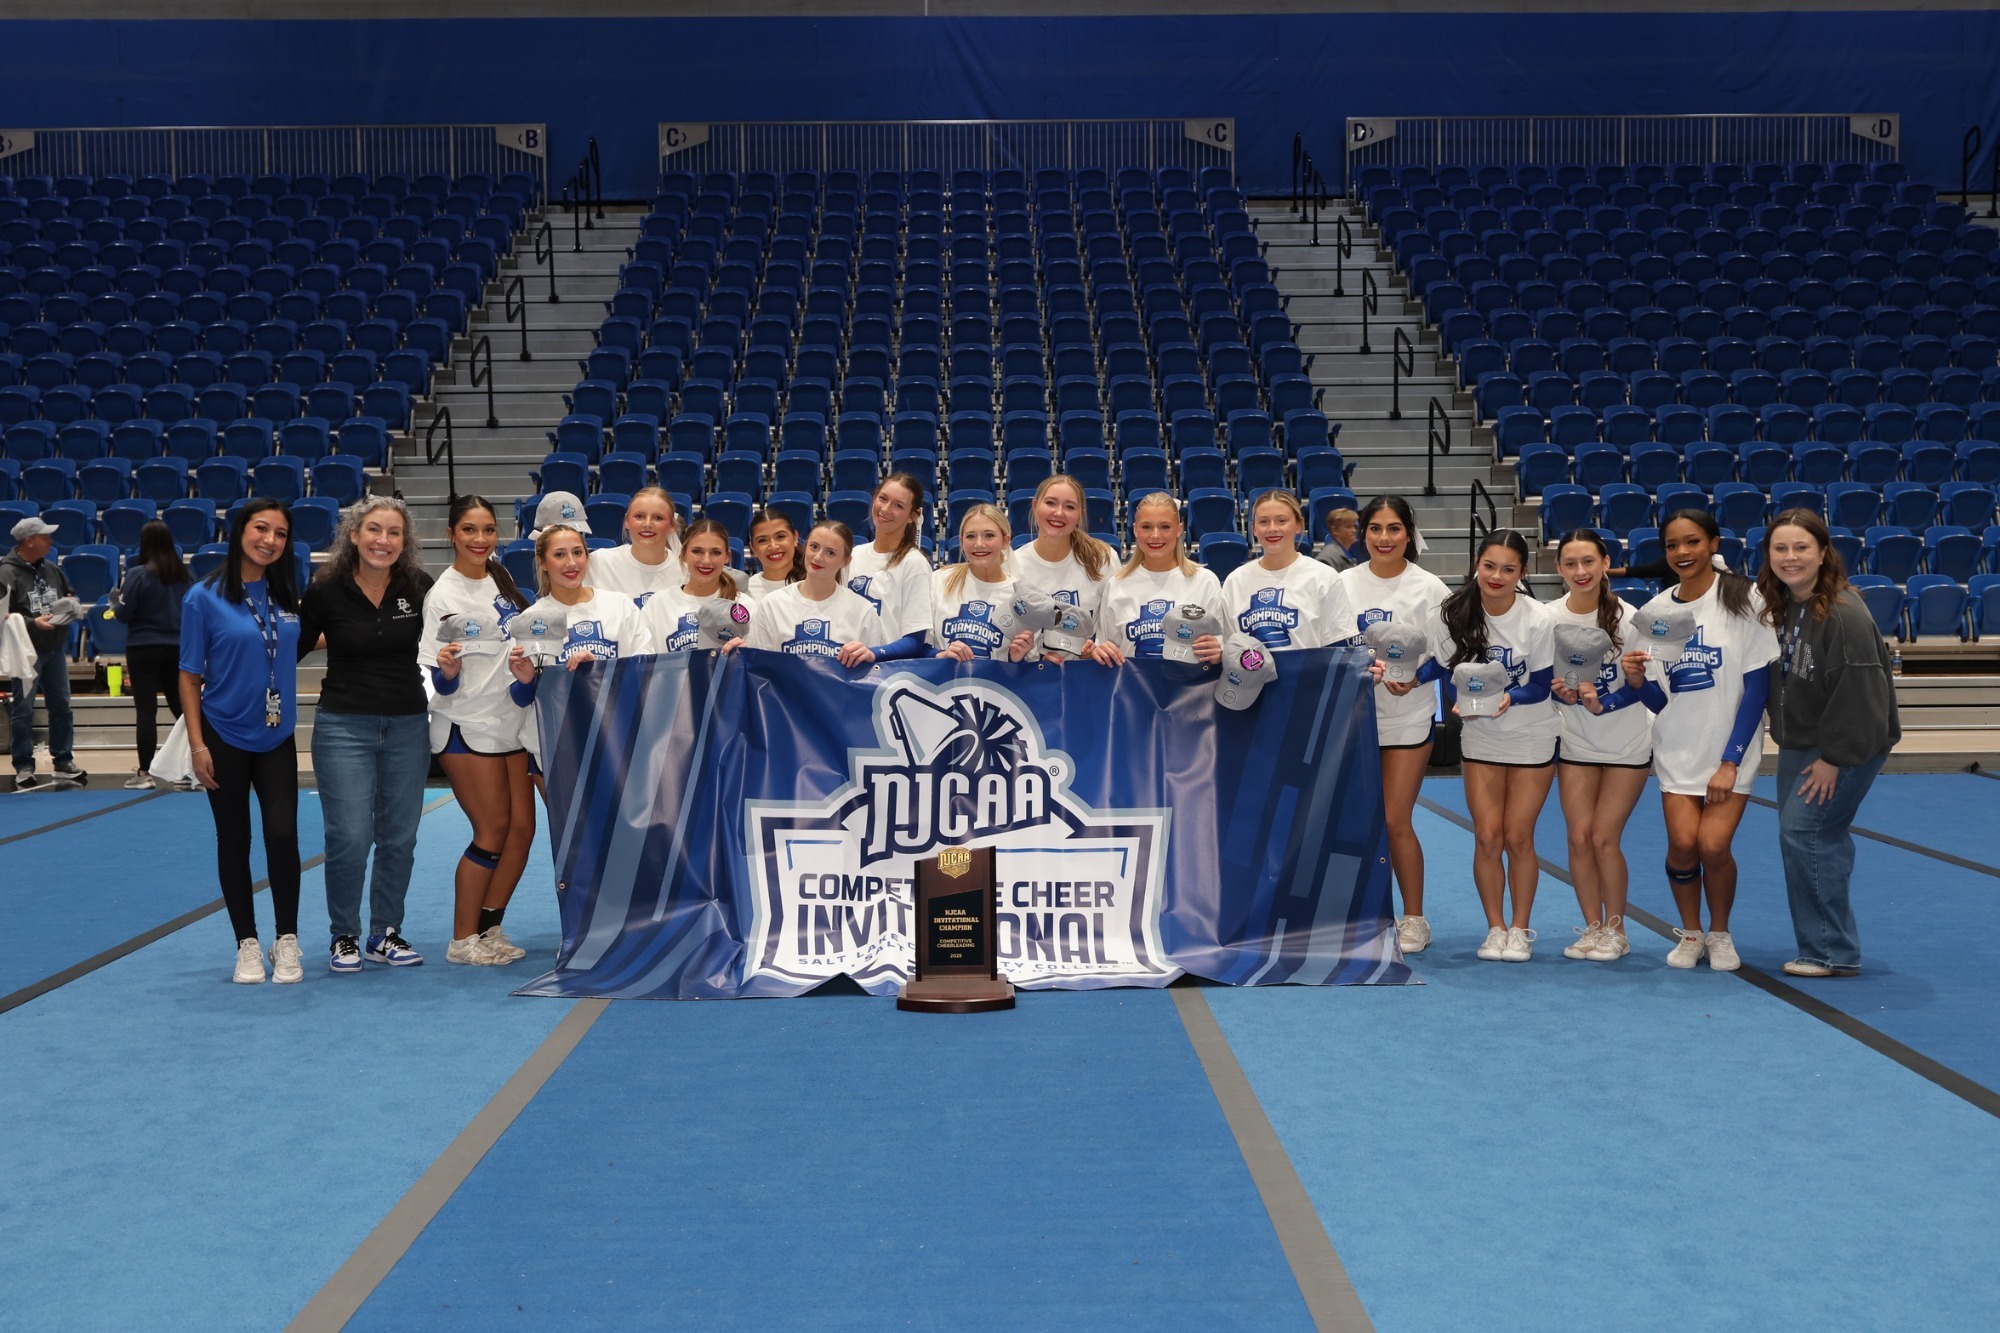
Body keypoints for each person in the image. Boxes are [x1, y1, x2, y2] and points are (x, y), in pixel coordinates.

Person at [1620, 508, 1778, 972]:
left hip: (1731, 748)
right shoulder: (1655, 613)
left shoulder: (1745, 598)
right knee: (1683, 845)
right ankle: (1691, 932)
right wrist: (1637, 682)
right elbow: (1660, 699)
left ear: (1713, 543)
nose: (1682, 552)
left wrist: (1730, 761)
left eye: (1692, 542)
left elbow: (1757, 689)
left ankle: (1720, 932)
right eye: (1672, 545)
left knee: (1713, 845)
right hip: (1677, 747)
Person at [1758, 509, 1901, 978]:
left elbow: (1861, 697)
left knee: (1808, 835)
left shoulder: (1843, 613)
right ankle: (1827, 945)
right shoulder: (1786, 603)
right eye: (1780, 548)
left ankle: (1829, 951)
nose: (1790, 557)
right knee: (1811, 839)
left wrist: (1834, 759)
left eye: (1801, 547)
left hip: (1844, 746)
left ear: (1823, 553)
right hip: (1802, 741)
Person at [299, 497, 433, 974]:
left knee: (400, 837)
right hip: (343, 727)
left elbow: (442, 645)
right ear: (353, 535)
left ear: (405, 541)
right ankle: (344, 934)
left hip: (408, 725)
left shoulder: (419, 587)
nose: (383, 540)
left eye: (394, 532)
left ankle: (384, 932)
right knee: (350, 837)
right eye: (374, 530)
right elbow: (289, 650)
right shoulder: (325, 590)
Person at [178, 499, 304, 984]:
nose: (270, 540)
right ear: (239, 532)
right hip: (223, 735)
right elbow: (189, 676)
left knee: (283, 835)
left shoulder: (287, 594)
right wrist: (197, 745)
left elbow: (298, 641)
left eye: (280, 533)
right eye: (261, 528)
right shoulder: (203, 597)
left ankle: (286, 939)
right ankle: (246, 943)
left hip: (277, 734)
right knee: (234, 839)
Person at [1421, 530, 1557, 963]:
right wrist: (1423, 684)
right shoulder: (1452, 612)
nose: (1497, 576)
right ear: (1476, 564)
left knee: (1517, 836)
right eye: (1489, 566)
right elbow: (1443, 668)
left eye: (1508, 569)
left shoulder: (1538, 619)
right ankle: (1495, 927)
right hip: (1481, 736)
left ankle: (1520, 928)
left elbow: (1540, 685)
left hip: (1531, 735)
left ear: (1523, 572)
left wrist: (1508, 698)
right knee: (1486, 836)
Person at [421, 495, 537, 967]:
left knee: (522, 830)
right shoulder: (442, 596)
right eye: (469, 529)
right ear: (451, 534)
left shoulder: (500, 578)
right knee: (491, 831)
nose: (480, 539)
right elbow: (439, 677)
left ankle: (489, 926)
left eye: (488, 529)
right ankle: (462, 939)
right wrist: (447, 673)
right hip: (466, 725)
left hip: (511, 723)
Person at [1546, 530, 1659, 964]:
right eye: (1571, 564)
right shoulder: (1548, 617)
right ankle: (1592, 927)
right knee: (1578, 838)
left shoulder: (1631, 619)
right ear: (1558, 568)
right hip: (1575, 741)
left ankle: (1617, 930)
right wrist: (1562, 694)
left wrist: (1602, 703)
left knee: (1603, 838)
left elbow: (1640, 684)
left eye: (1589, 562)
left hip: (1626, 743)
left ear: (1606, 563)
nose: (1581, 571)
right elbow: (1543, 678)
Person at [1344, 495, 1449, 953]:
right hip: (1353, 717)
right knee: (1359, 822)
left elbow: (1448, 656)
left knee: (1394, 818)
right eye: (1375, 529)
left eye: (1394, 529)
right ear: (1362, 534)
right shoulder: (1341, 584)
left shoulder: (1430, 588)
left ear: (1409, 534)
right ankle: (1367, 915)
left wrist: (1416, 679)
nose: (1384, 538)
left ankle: (1415, 918)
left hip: (1408, 717)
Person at [513, 521, 655, 777]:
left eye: (577, 552)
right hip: (554, 746)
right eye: (559, 555)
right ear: (542, 562)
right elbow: (521, 699)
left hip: (617, 740)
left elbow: (646, 672)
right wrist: (527, 681)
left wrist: (598, 671)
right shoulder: (531, 620)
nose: (571, 563)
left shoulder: (619, 605)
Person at [745, 520, 922, 662]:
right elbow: (758, 668)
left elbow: (871, 675)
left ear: (845, 561)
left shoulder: (862, 610)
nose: (818, 557)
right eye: (814, 547)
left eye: (830, 553)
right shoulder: (773, 604)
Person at [1086, 492, 1224, 665]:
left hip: (1191, 682)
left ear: (1179, 529)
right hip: (1132, 682)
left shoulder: (1205, 582)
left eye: (1165, 527)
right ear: (1135, 529)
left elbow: (1222, 643)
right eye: (1146, 527)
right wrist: (1101, 652)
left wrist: (1219, 651)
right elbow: (1107, 648)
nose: (1155, 535)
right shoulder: (1116, 585)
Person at [2, 514, 84, 790]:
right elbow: (2, 614)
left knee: (61, 705)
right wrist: (32, 623)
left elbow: (69, 592)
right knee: (23, 709)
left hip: (55, 647)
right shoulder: (6, 573)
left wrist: (71, 602)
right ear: (29, 541)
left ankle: (63, 760)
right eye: (45, 536)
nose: (50, 541)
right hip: (26, 650)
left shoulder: (51, 568)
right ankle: (23, 765)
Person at [1220, 490, 1354, 651]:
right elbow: (1228, 649)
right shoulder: (1235, 581)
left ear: (1298, 525)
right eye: (1263, 522)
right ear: (1254, 528)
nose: (1272, 528)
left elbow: (1340, 650)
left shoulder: (1324, 577)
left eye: (1282, 521)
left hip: (1310, 668)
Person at [113, 520, 191, 788]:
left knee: (146, 710)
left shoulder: (138, 574)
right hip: (177, 646)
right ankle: (194, 769)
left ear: (144, 543)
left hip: (143, 647)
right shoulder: (184, 575)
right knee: (184, 709)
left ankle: (144, 773)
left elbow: (124, 614)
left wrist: (115, 603)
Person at [1007, 475, 1114, 662]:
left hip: (1087, 675)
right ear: (1035, 505)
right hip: (1032, 676)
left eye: (1069, 507)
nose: (1058, 513)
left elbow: (1112, 629)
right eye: (1050, 503)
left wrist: (1095, 650)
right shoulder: (1012, 565)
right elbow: (1008, 636)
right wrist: (1034, 659)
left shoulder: (1103, 559)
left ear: (1080, 514)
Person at [846, 473, 934, 645]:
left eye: (898, 505)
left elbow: (915, 642)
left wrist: (872, 655)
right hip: (850, 660)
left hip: (889, 662)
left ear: (912, 516)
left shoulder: (914, 563)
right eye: (883, 498)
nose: (886, 509)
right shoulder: (854, 555)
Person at [638, 517, 746, 651]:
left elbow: (756, 661)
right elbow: (644, 658)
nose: (706, 561)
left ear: (727, 556)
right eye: (697, 551)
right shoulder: (657, 605)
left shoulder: (743, 606)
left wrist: (743, 655)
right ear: (683, 553)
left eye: (716, 553)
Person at [931, 505, 1021, 661]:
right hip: (944, 677)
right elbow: (921, 646)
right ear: (961, 541)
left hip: (996, 678)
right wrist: (941, 655)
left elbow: (1026, 664)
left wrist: (1017, 658)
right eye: (970, 536)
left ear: (1005, 541)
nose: (979, 544)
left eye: (989, 535)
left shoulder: (1018, 595)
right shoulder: (940, 580)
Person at [588, 487, 682, 607]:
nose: (647, 524)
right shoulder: (599, 563)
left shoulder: (685, 571)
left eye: (658, 518)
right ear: (627, 521)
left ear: (672, 526)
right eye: (639, 516)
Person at [744, 506, 805, 603]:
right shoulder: (745, 591)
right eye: (762, 540)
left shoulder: (815, 584)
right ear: (753, 547)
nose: (773, 546)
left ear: (795, 538)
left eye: (780, 536)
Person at [1316, 506, 1360, 572]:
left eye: (1355, 526)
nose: (1354, 530)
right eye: (1348, 527)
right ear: (1335, 530)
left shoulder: (1348, 554)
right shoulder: (1327, 558)